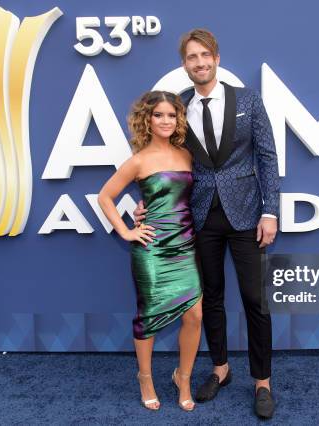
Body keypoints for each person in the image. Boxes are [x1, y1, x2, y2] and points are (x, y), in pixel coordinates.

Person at [134, 29, 280, 419]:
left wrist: (271, 211)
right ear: (184, 64)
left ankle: (262, 381)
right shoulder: (177, 108)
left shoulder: (248, 99)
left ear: (216, 57)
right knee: (210, 298)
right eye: (191, 57)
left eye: (205, 55)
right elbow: (163, 158)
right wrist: (148, 201)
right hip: (198, 218)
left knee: (255, 299)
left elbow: (267, 157)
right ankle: (220, 369)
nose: (199, 63)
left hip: (247, 215)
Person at [98, 91, 203, 412]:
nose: (166, 121)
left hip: (185, 245)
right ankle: (145, 377)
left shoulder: (187, 155)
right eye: (159, 115)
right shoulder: (139, 160)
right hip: (152, 248)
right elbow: (105, 197)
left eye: (172, 115)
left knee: (195, 314)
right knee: (150, 316)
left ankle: (182, 377)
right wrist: (127, 229)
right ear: (148, 119)